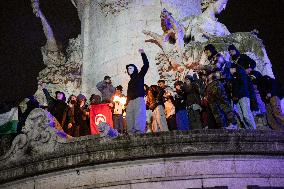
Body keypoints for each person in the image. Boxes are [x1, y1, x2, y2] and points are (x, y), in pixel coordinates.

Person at [125, 49, 149, 134]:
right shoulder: (129, 82)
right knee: (129, 117)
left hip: (138, 98)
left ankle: (139, 132)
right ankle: (130, 132)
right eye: (128, 69)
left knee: (139, 116)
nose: (129, 70)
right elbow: (128, 93)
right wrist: (126, 103)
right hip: (130, 101)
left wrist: (143, 54)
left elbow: (146, 65)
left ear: (135, 69)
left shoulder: (140, 75)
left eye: (131, 68)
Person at [230, 63, 257, 129]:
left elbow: (243, 86)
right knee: (242, 117)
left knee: (246, 115)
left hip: (243, 96)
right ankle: (248, 130)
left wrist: (236, 95)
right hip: (237, 99)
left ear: (234, 69)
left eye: (231, 69)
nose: (230, 71)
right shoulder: (234, 77)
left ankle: (254, 130)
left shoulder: (241, 74)